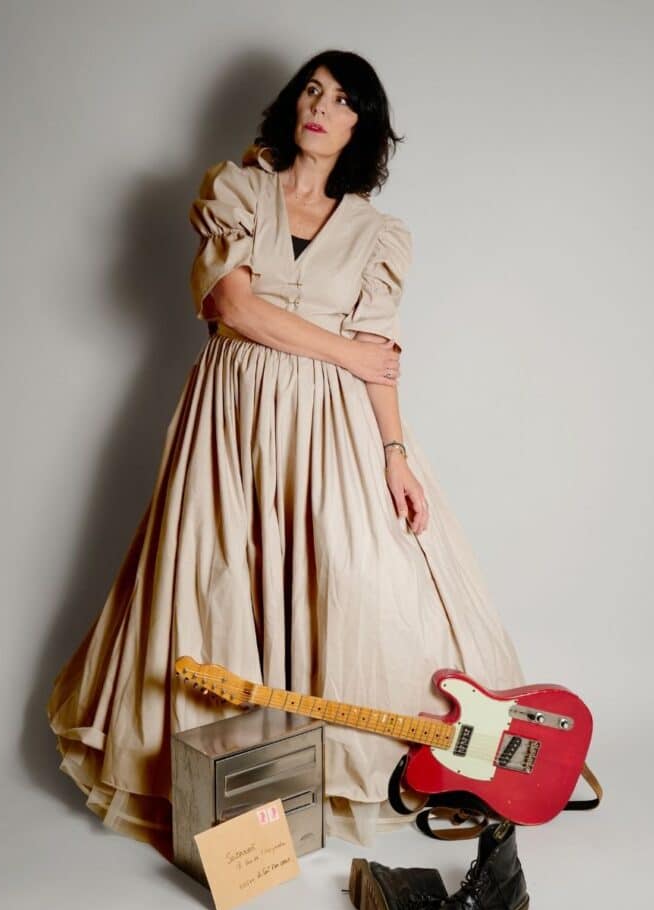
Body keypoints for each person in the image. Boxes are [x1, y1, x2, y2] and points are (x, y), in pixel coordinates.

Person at [46, 49, 525, 860]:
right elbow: (234, 309)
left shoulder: (378, 234)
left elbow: (381, 357)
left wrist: (395, 453)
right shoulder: (235, 191)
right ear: (291, 105)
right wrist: (345, 351)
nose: (320, 107)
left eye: (341, 101)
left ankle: (349, 772)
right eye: (311, 91)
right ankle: (230, 797)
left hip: (332, 425)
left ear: (361, 127)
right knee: (217, 581)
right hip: (230, 414)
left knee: (351, 578)